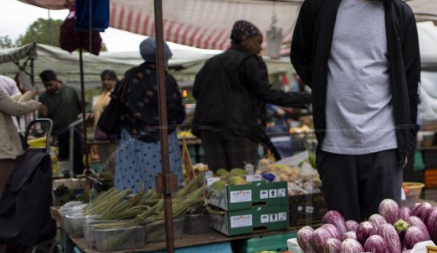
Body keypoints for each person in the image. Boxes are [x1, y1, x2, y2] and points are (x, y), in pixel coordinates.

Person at [290, 0, 421, 221]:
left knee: (384, 236)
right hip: (335, 148)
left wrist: (406, 143)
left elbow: (410, 85)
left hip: (385, 149)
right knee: (344, 236)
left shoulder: (401, 16)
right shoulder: (321, 3)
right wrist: (325, 86)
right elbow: (299, 54)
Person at [192, 20, 311, 172]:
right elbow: (266, 93)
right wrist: (307, 98)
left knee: (219, 180)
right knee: (242, 181)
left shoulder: (211, 63)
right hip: (239, 129)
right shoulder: (249, 60)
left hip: (208, 129)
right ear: (246, 40)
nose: (260, 48)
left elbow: (197, 92)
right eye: (258, 42)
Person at [114, 37, 185, 192]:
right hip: (163, 142)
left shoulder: (130, 76)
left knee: (134, 184)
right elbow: (178, 112)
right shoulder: (166, 79)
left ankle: (136, 209)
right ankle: (163, 214)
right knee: (164, 186)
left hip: (132, 138)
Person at [0, 75, 47, 198]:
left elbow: (7, 104)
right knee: (4, 190)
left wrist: (26, 96)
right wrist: (37, 105)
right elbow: (16, 109)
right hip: (3, 148)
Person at [38, 69, 84, 176]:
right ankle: (65, 176)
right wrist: (47, 133)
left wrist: (84, 115)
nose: (48, 88)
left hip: (75, 131)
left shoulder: (72, 91)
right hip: (57, 134)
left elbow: (84, 107)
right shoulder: (44, 97)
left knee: (76, 157)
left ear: (57, 80)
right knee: (61, 160)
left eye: (50, 84)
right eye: (46, 86)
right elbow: (43, 117)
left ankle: (78, 176)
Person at [92, 69, 118, 171]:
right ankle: (109, 182)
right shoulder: (103, 94)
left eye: (109, 79)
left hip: (110, 133)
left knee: (114, 160)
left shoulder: (115, 94)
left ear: (114, 80)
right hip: (100, 133)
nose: (105, 82)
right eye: (104, 79)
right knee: (105, 161)